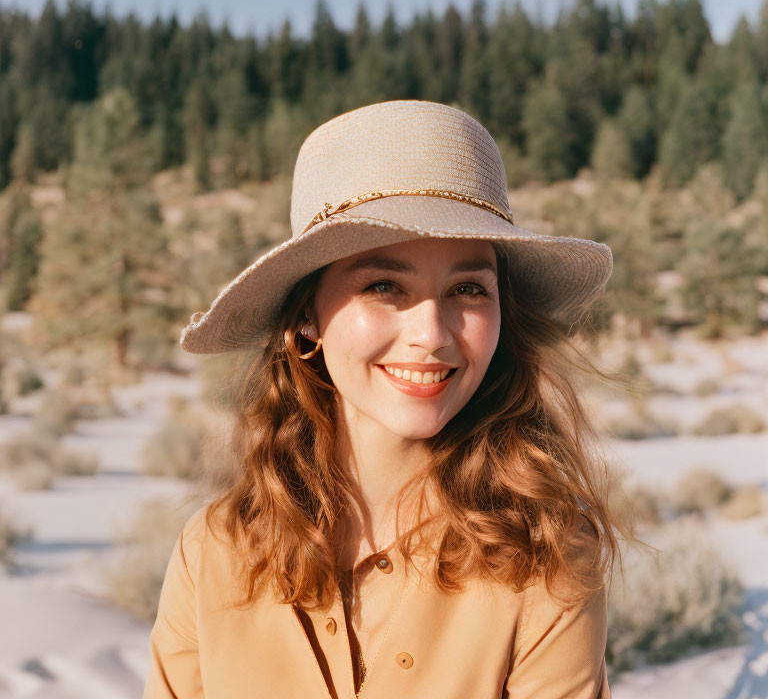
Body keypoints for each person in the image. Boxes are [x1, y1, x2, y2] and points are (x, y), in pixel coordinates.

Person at [143, 99, 628, 699]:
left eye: (469, 289)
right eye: (384, 286)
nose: (432, 333)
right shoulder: (213, 552)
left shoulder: (545, 559)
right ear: (306, 317)